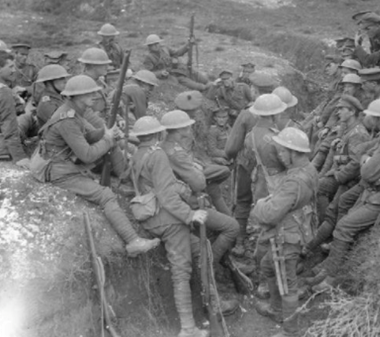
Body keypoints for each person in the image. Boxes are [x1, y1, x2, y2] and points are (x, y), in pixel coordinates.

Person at [32, 75, 160, 255]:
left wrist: (105, 133)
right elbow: (86, 154)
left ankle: (127, 180)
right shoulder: (67, 119)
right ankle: (133, 242)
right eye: (89, 93)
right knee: (105, 195)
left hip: (63, 159)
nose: (94, 95)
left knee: (111, 144)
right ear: (75, 97)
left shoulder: (73, 111)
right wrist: (106, 139)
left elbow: (87, 135)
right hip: (56, 170)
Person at [309, 99, 380, 291]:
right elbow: (364, 152)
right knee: (344, 201)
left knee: (343, 226)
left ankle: (332, 277)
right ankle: (331, 263)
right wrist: (367, 158)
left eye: (370, 115)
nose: (367, 118)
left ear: (379, 118)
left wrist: (367, 160)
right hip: (375, 189)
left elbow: (367, 172)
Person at [129, 116, 215, 337]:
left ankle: (211, 301)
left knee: (200, 247)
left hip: (150, 215)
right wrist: (190, 214)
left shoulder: (138, 153)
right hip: (168, 220)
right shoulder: (157, 154)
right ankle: (187, 328)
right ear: (158, 134)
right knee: (180, 272)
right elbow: (167, 195)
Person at [252, 127, 318, 337]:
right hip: (295, 230)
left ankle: (291, 331)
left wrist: (259, 206)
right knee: (268, 266)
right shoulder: (308, 169)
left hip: (287, 236)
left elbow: (270, 214)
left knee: (287, 283)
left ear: (294, 152)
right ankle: (276, 309)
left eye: (283, 152)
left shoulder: (294, 181)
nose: (280, 156)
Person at [160, 110, 239, 259]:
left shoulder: (163, 146)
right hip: (187, 202)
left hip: (175, 198)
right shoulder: (176, 153)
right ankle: (210, 263)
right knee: (232, 227)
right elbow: (198, 184)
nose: (190, 130)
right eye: (187, 127)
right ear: (179, 130)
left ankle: (223, 261)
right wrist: (199, 172)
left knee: (214, 190)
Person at [224, 74, 278, 256]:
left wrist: (230, 156)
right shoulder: (280, 111)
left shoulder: (247, 114)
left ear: (254, 90)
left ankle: (239, 242)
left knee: (242, 200)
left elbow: (231, 147)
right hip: (274, 168)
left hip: (248, 165)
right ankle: (265, 243)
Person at [314, 95, 369, 222]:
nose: (338, 112)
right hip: (339, 172)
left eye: (342, 109)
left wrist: (337, 175)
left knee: (319, 188)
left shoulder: (358, 133)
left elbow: (355, 164)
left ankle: (323, 222)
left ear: (352, 112)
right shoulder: (346, 130)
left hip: (349, 178)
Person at [142, 34, 210, 91]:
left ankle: (212, 84)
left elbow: (178, 53)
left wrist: (188, 44)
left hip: (179, 70)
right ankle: (206, 88)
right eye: (153, 45)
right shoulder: (148, 58)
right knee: (197, 86)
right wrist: (160, 73)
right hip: (171, 76)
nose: (156, 46)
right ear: (149, 46)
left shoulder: (165, 49)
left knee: (199, 76)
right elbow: (148, 74)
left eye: (157, 43)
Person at [0, 51, 29, 165]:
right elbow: (9, 126)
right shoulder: (3, 91)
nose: (13, 70)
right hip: (2, 145)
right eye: (10, 67)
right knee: (26, 119)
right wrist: (20, 157)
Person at [78, 47, 113, 122]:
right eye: (103, 65)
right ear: (93, 66)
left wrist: (118, 118)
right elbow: (85, 113)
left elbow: (107, 104)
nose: (107, 67)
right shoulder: (81, 83)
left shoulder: (100, 81)